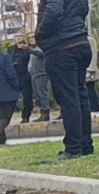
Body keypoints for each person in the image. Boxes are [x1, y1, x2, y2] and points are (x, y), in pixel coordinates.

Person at [35, 0, 93, 157]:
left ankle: (73, 148)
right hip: (80, 41)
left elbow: (54, 10)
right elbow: (84, 10)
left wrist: (40, 34)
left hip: (61, 44)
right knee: (80, 96)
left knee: (69, 99)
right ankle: (85, 144)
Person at [0, 36, 22, 144]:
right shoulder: (3, 57)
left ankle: (1, 140)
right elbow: (10, 74)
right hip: (6, 92)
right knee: (5, 118)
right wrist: (16, 87)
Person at [13, 34, 37, 121]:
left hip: (25, 76)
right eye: (16, 37)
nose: (18, 38)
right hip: (14, 76)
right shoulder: (11, 50)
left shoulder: (27, 50)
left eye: (20, 36)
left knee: (27, 96)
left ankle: (25, 116)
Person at [30, 44, 54, 119]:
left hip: (41, 74)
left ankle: (45, 112)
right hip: (34, 75)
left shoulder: (40, 48)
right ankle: (42, 111)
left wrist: (29, 49)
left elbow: (40, 53)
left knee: (42, 94)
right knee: (37, 95)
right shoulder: (32, 51)